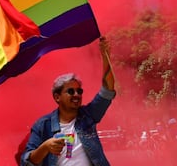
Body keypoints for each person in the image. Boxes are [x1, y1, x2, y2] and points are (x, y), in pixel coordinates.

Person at [20, 37, 116, 166]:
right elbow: (26, 162)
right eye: (70, 91)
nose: (76, 95)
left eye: (79, 91)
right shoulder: (43, 125)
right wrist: (45, 147)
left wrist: (105, 56)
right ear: (57, 97)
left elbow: (107, 89)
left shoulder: (88, 116)